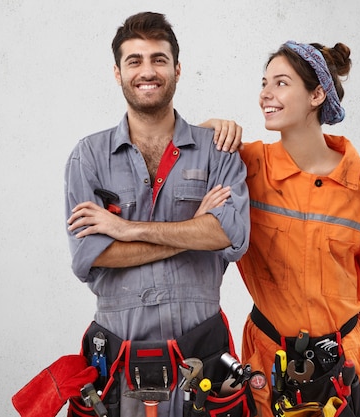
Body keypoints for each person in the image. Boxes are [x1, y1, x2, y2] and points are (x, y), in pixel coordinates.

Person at [64, 12, 250, 417]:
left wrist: (124, 229)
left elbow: (229, 233)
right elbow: (90, 256)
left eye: (158, 59)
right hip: (116, 358)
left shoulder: (218, 149)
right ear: (117, 72)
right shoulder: (88, 157)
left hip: (201, 352)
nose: (147, 71)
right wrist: (190, 231)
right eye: (135, 60)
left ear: (177, 69)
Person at [211, 41, 360, 416]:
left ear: (317, 94)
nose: (265, 94)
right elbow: (188, 145)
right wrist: (213, 127)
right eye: (264, 83)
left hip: (345, 365)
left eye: (281, 83)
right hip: (268, 361)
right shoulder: (249, 166)